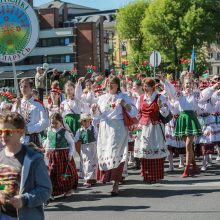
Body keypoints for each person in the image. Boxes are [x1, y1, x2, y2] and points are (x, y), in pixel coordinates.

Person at [162, 73, 219, 177]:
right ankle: (194, 164)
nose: (188, 85)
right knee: (188, 146)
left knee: (188, 145)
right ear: (184, 84)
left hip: (191, 119)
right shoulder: (180, 94)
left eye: (190, 83)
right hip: (182, 119)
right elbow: (171, 93)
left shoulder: (196, 94)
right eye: (187, 83)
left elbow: (206, 94)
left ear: (193, 84)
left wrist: (214, 86)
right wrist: (165, 81)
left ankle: (186, 169)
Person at [91, 75, 138, 196]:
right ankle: (107, 177)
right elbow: (96, 117)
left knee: (116, 153)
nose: (109, 86)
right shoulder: (101, 98)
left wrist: (124, 104)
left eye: (112, 83)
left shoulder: (123, 96)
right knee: (105, 153)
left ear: (117, 85)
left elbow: (134, 112)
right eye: (108, 84)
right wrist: (94, 110)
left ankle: (116, 183)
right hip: (104, 128)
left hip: (118, 128)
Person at [0, 112, 52, 220]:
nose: (3, 136)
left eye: (8, 132)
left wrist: (24, 199)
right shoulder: (0, 156)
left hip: (26, 215)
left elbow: (45, 190)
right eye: (1, 132)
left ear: (21, 132)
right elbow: (3, 183)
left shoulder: (33, 158)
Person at [135, 77, 169, 183]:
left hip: (155, 127)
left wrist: (160, 106)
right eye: (144, 85)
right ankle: (146, 175)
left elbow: (166, 113)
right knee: (144, 150)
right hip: (144, 127)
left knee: (155, 149)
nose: (145, 87)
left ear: (152, 87)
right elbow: (137, 113)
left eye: (147, 86)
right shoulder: (140, 98)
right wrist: (136, 126)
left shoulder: (160, 97)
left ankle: (154, 176)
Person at [43, 113, 78, 200]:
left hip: (63, 155)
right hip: (53, 155)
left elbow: (71, 143)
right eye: (52, 123)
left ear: (60, 123)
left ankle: (68, 189)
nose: (54, 125)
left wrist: (70, 154)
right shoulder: (49, 131)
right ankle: (51, 192)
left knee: (65, 173)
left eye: (56, 123)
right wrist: (47, 150)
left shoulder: (65, 132)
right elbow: (48, 141)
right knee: (51, 173)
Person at [12, 78, 49, 147]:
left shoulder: (38, 104)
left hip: (33, 138)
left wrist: (29, 129)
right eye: (21, 87)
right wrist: (16, 108)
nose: (23, 89)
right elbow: (11, 121)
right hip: (19, 139)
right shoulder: (16, 104)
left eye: (26, 86)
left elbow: (45, 122)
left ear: (31, 88)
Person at [74, 113, 97, 188]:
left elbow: (97, 137)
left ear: (90, 121)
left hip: (92, 146)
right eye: (84, 121)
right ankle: (87, 179)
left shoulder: (93, 128)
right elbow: (75, 139)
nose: (86, 123)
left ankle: (92, 178)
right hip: (84, 148)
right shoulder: (79, 130)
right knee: (86, 163)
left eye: (88, 121)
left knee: (93, 162)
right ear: (81, 122)